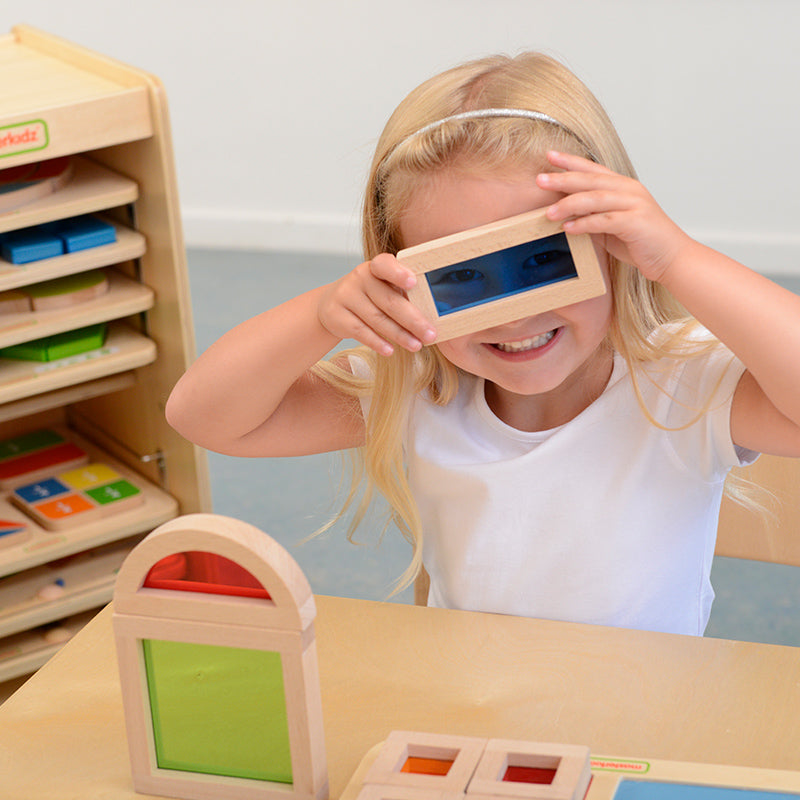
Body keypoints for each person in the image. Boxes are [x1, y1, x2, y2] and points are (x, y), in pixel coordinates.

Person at [166, 52, 800, 635]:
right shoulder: (420, 385)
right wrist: (321, 315)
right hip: (469, 714)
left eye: (544, 262)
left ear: (615, 248)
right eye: (461, 277)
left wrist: (681, 258)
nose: (510, 320)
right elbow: (206, 417)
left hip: (634, 730)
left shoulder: (682, 382)